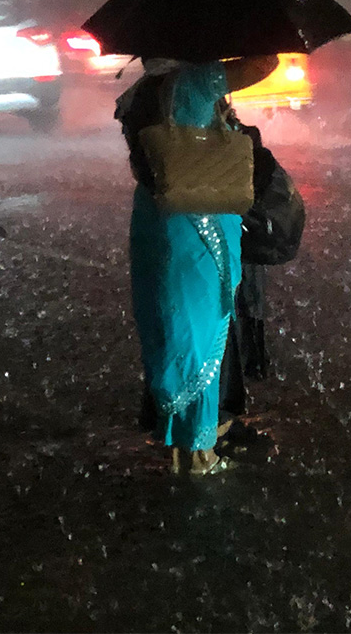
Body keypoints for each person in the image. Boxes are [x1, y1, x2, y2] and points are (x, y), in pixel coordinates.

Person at [116, 55, 278, 475]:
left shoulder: (144, 91)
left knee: (171, 328)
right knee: (200, 332)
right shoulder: (197, 79)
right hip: (198, 225)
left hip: (158, 221)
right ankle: (199, 451)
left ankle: (179, 440)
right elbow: (265, 64)